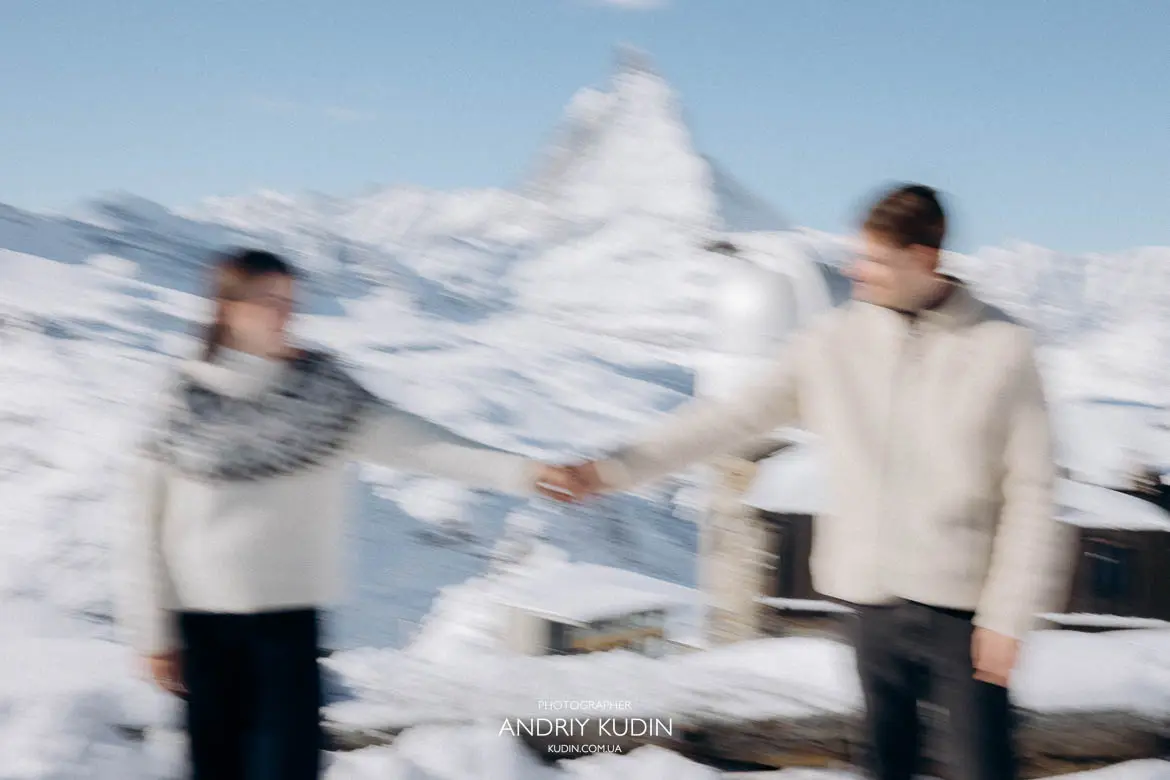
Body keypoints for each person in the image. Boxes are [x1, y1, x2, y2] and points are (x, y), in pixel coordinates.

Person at [536, 184, 1076, 780]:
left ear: (924, 259)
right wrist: (609, 470)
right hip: (872, 607)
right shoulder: (833, 343)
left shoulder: (1002, 347)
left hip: (966, 615)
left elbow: (1032, 491)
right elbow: (727, 419)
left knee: (982, 768)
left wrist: (1007, 618)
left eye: (874, 260)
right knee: (882, 767)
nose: (854, 270)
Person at [118, 249, 544, 780]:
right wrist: (152, 636)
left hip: (287, 628)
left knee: (288, 768)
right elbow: (144, 527)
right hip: (204, 631)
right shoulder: (180, 399)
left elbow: (423, 446)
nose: (283, 313)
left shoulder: (322, 394)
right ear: (226, 308)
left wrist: (528, 473)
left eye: (289, 301)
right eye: (268, 300)